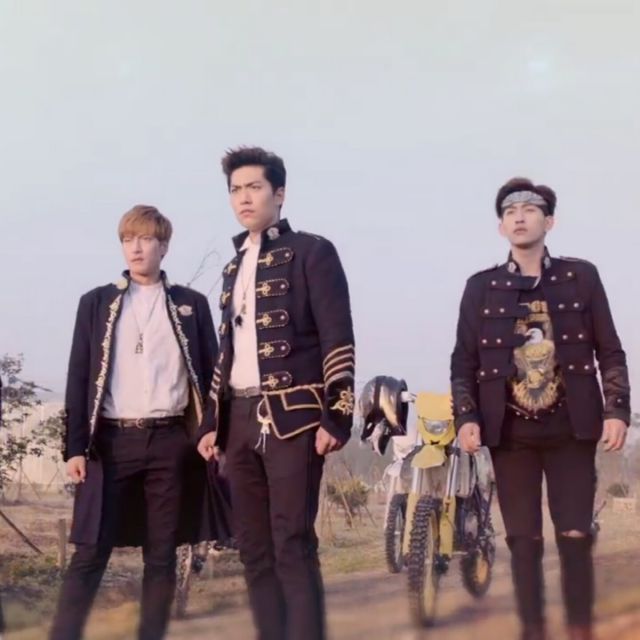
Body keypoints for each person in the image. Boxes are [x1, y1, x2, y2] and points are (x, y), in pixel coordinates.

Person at [450, 177, 630, 640]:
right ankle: (533, 630)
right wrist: (466, 416)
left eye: (530, 210)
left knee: (575, 536)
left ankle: (580, 629)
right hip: (510, 433)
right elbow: (463, 361)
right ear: (501, 227)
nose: (520, 217)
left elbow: (610, 350)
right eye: (510, 212)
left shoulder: (580, 277)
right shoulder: (481, 287)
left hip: (572, 428)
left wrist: (617, 409)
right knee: (523, 541)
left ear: (549, 222)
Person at [50, 205, 231, 640]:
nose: (136, 247)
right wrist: (74, 447)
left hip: (170, 442)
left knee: (162, 554)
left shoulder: (191, 305)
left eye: (146, 239)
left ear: (163, 246)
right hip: (110, 443)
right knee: (90, 550)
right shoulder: (96, 303)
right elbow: (78, 376)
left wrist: (211, 430)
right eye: (128, 239)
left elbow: (212, 375)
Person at [197, 146, 355, 640]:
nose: (244, 198)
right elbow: (227, 352)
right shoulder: (232, 268)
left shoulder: (313, 252)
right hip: (238, 420)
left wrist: (338, 416)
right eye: (235, 190)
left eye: (255, 187)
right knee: (253, 548)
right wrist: (210, 422)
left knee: (292, 541)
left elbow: (337, 337)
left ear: (279, 193)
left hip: (294, 419)